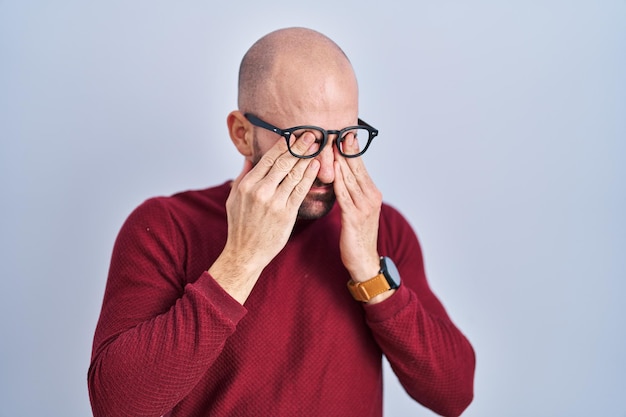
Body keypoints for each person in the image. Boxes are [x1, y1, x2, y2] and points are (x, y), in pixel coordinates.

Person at [88, 27, 475, 417]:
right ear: (242, 134)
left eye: (344, 139)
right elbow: (116, 406)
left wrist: (369, 272)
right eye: (303, 140)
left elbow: (454, 393)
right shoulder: (167, 227)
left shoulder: (379, 228)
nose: (327, 170)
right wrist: (242, 258)